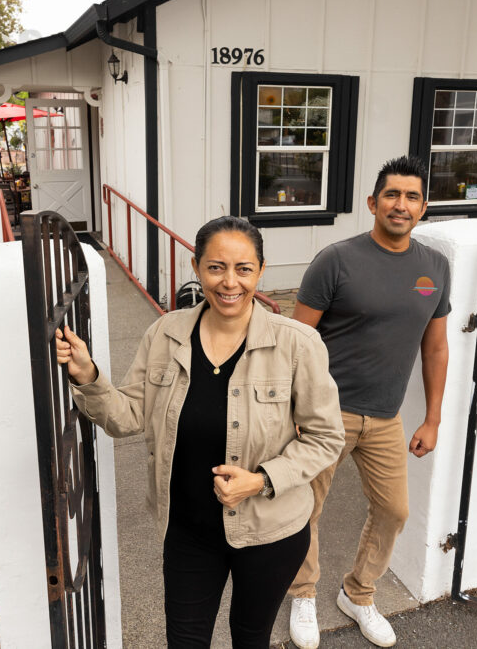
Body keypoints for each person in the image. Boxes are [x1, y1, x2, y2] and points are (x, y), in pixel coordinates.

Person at [56, 216, 344, 648]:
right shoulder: (164, 334)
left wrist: (263, 479)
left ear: (260, 271)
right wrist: (87, 376)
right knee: (185, 640)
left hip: (270, 531)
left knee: (251, 637)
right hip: (188, 531)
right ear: (196, 266)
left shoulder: (297, 343)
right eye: (216, 267)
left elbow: (326, 438)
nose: (230, 282)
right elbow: (129, 415)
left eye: (244, 269)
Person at [287, 155, 451, 648]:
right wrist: (292, 410)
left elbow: (436, 346)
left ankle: (358, 595)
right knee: (304, 510)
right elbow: (298, 340)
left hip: (385, 416)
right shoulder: (336, 260)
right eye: (392, 195)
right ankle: (303, 594)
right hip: (325, 414)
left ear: (423, 208)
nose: (401, 205)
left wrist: (433, 419)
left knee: (394, 510)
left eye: (412, 197)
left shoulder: (434, 267)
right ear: (372, 203)